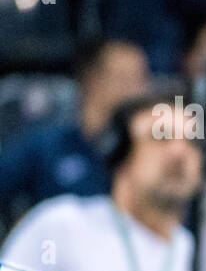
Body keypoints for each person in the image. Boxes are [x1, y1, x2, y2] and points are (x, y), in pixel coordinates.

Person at [0, 91, 203, 271]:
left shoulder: (195, 250)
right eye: (161, 138)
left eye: (191, 142)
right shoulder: (62, 225)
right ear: (119, 152)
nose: (179, 153)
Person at [0, 39, 149, 228]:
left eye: (142, 79)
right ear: (93, 79)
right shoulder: (47, 143)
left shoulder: (144, 153)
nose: (137, 91)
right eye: (125, 78)